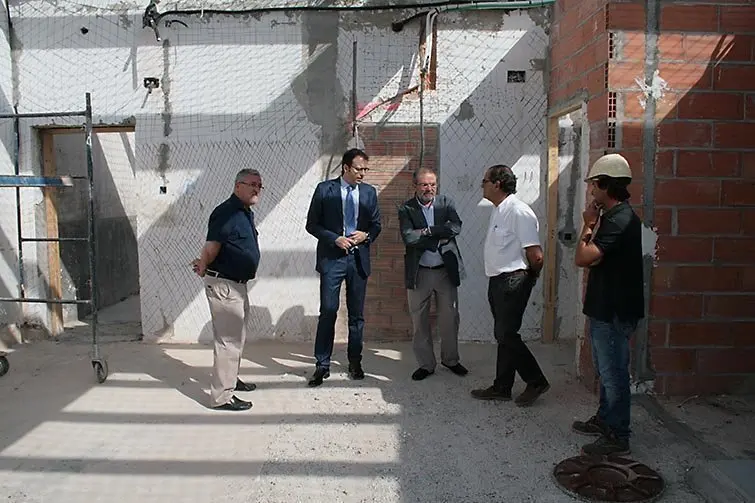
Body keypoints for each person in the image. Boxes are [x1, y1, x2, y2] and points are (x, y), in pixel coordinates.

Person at [573, 153, 644, 456]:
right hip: (605, 308)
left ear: (605, 185)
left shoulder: (621, 219)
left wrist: (588, 225)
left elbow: (582, 258)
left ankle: (618, 435)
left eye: (593, 185)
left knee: (614, 374)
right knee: (607, 370)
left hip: (614, 311)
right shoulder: (615, 217)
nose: (590, 191)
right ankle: (605, 420)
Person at [470, 164, 550, 406]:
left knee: (506, 334)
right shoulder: (500, 209)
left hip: (513, 281)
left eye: (484, 181)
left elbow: (536, 255)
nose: (481, 185)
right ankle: (502, 387)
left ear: (497, 184)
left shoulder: (518, 211)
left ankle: (536, 380)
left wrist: (529, 279)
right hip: (499, 281)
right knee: (503, 334)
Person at [305, 148, 382, 387]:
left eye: (365, 169)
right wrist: (333, 238)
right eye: (359, 169)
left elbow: (377, 225)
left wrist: (365, 235)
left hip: (358, 259)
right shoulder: (324, 190)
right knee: (328, 310)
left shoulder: (369, 192)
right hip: (332, 258)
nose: (363, 174)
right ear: (346, 167)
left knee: (357, 315)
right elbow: (312, 225)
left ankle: (355, 361)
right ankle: (322, 364)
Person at [191, 168, 263, 411]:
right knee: (228, 341)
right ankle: (221, 397)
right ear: (237, 186)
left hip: (237, 286)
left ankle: (231, 379)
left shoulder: (244, 212)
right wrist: (203, 264)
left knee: (236, 338)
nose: (256, 189)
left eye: (259, 185)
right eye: (252, 184)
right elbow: (212, 246)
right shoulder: (226, 212)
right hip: (224, 285)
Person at [398, 167, 468, 381]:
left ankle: (451, 360)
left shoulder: (445, 203)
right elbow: (409, 238)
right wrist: (438, 232)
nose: (429, 188)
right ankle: (426, 365)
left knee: (449, 318)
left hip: (445, 271)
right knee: (419, 321)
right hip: (420, 273)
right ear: (415, 186)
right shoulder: (406, 209)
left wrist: (427, 231)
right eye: (424, 184)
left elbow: (456, 227)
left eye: (432, 184)